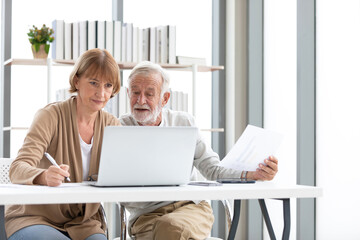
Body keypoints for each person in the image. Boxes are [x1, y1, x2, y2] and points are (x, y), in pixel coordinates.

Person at [120, 61, 279, 240]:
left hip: (192, 207)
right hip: (146, 217)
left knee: (171, 227)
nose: (141, 100)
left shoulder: (184, 123)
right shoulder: (118, 127)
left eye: (149, 94)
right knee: (168, 228)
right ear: (128, 93)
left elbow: (212, 169)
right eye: (135, 92)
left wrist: (253, 173)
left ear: (164, 98)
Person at [5, 48, 121, 240]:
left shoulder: (112, 125)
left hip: (83, 222)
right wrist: (43, 176)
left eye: (108, 85)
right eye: (93, 83)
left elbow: (121, 173)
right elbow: (17, 168)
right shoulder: (50, 116)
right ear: (77, 80)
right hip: (35, 217)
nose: (101, 93)